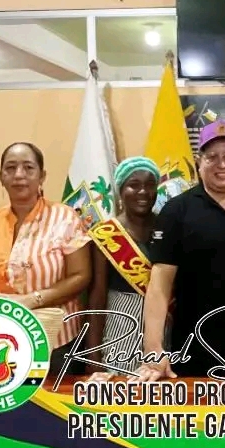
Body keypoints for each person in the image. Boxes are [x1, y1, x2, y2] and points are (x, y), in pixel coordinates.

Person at [133, 120, 225, 381]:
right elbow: (160, 284)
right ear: (198, 161)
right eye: (212, 157)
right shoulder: (177, 210)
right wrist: (153, 348)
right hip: (196, 346)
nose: (222, 164)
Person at [0, 142, 92, 375]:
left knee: (53, 398)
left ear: (42, 176)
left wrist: (30, 301)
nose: (19, 175)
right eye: (10, 168)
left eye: (28, 167)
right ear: (1, 177)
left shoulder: (64, 218)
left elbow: (81, 276)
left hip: (55, 341)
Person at [86, 156, 165, 378]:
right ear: (120, 191)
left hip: (162, 328)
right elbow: (97, 296)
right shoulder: (106, 233)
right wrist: (93, 355)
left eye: (150, 185)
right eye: (134, 185)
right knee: (120, 390)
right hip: (121, 326)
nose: (143, 192)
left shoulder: (168, 227)